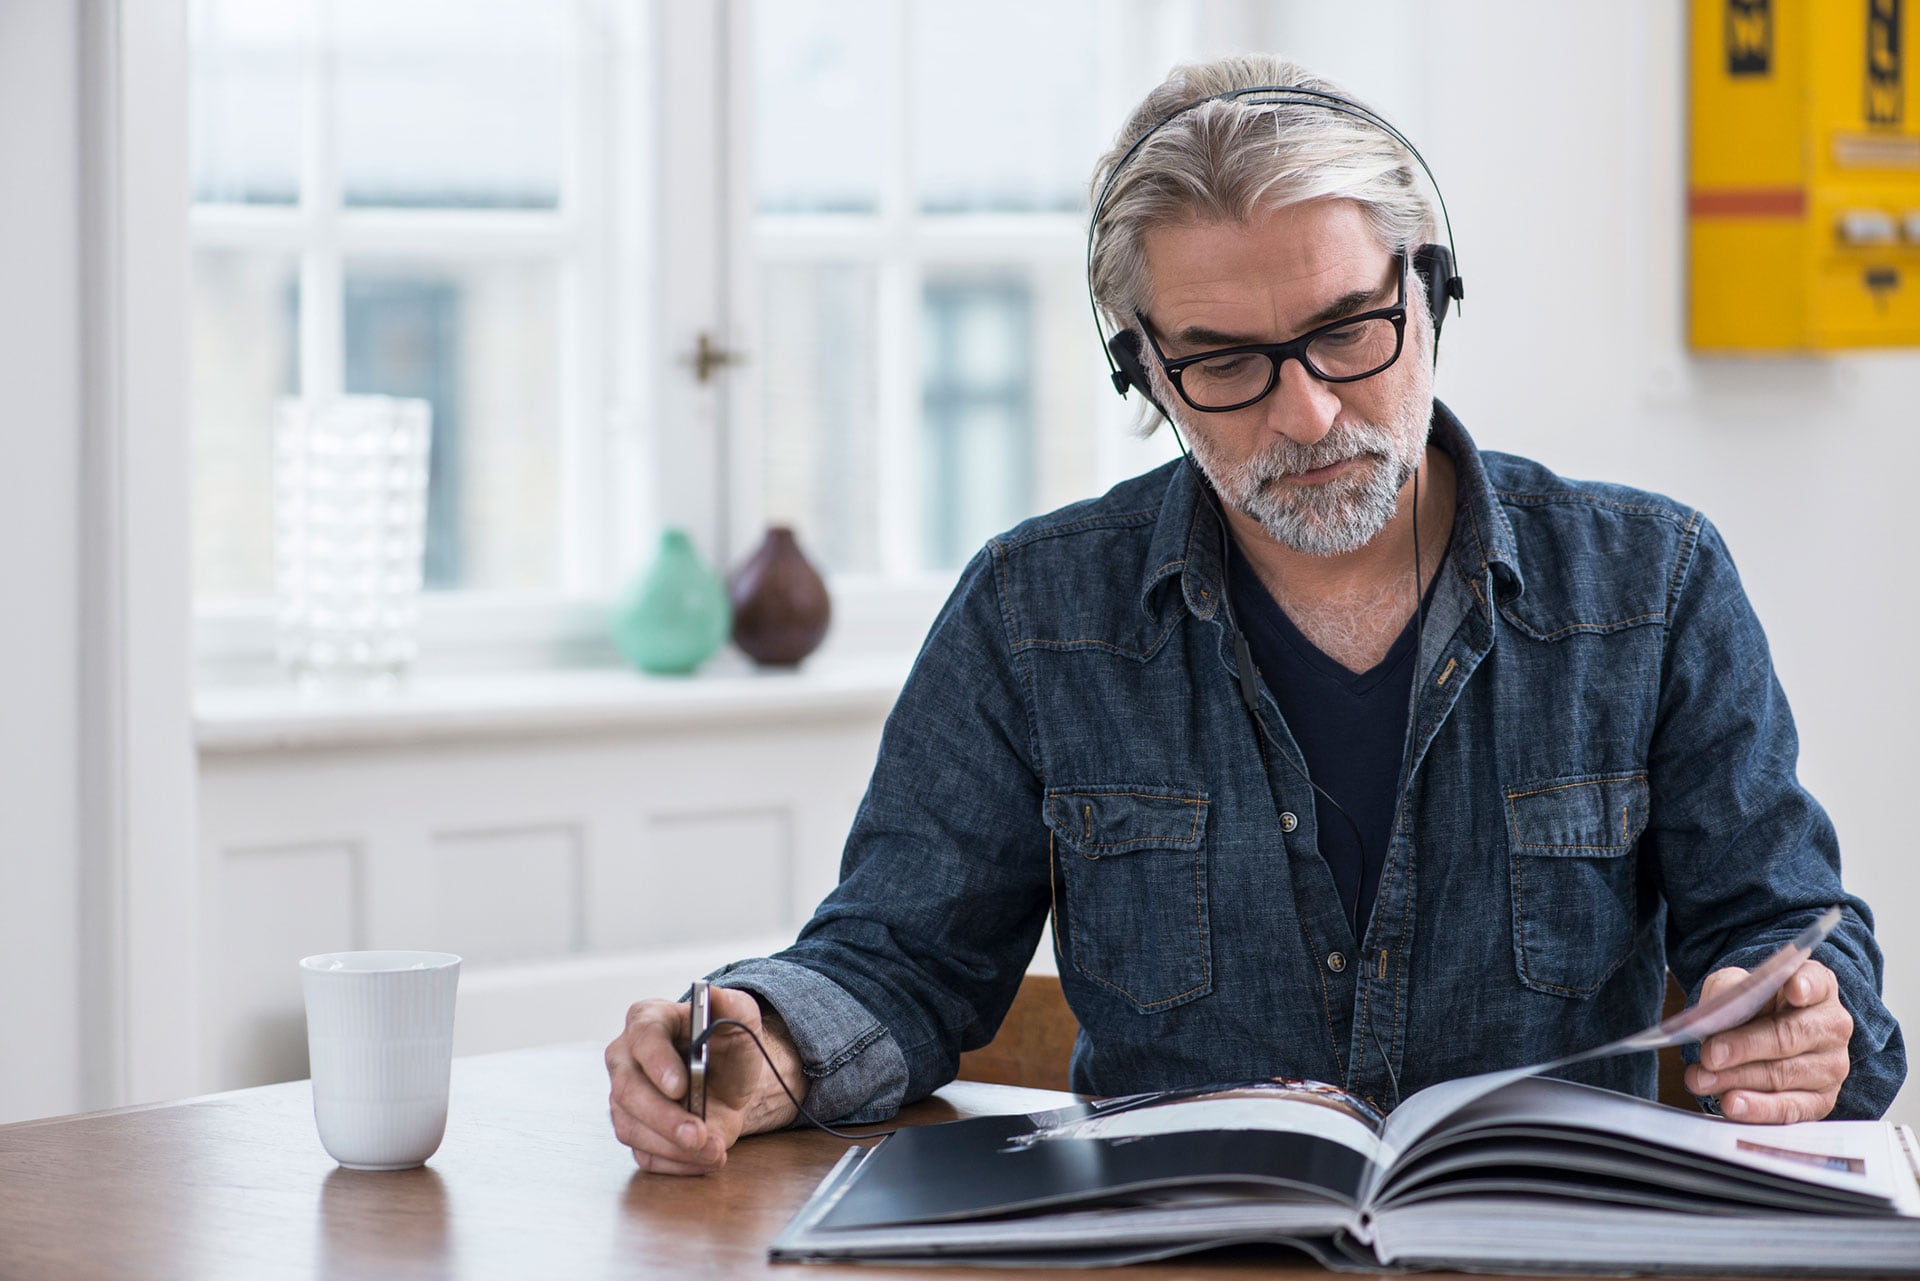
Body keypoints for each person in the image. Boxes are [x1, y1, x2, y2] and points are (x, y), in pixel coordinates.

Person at [605, 55, 1905, 1176]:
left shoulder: (1656, 584)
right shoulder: (1032, 615)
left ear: (1429, 287)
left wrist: (1809, 1013)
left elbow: (1794, 936)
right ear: (1142, 367)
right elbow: (893, 962)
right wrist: (755, 1040)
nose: (1308, 414)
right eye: (1225, 362)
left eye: (1349, 329)